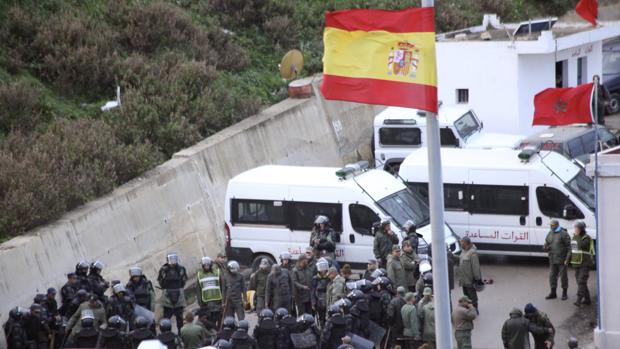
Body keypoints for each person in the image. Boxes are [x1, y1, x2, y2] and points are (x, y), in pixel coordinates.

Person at [158, 253, 189, 331]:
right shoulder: (163, 270)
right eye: (171, 260)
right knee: (167, 318)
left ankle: (180, 333)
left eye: (174, 259)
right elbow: (161, 281)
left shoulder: (181, 269)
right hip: (167, 297)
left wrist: (179, 288)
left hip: (179, 295)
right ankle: (167, 333)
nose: (173, 262)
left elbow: (184, 280)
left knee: (180, 317)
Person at [568, 221, 594, 306]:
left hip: (585, 263)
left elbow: (581, 245)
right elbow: (572, 249)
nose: (575, 229)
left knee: (581, 281)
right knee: (580, 282)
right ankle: (587, 299)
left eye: (577, 228)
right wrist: (567, 259)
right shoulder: (575, 237)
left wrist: (577, 236)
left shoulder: (586, 238)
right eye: (575, 228)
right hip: (576, 262)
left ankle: (578, 300)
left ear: (581, 229)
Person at [543, 220, 571, 300]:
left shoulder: (563, 234)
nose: (551, 227)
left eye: (552, 225)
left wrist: (567, 259)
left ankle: (564, 293)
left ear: (556, 225)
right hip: (552, 259)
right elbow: (546, 243)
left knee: (563, 277)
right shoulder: (550, 233)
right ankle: (553, 293)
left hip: (562, 260)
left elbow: (569, 247)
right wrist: (545, 247)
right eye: (550, 225)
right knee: (552, 276)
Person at [197, 256, 225, 326]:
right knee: (210, 324)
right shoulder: (199, 275)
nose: (206, 266)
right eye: (205, 265)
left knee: (220, 322)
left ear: (211, 265)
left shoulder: (217, 272)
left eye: (207, 265)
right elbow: (198, 291)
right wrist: (200, 304)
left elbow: (223, 287)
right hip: (206, 304)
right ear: (202, 265)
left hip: (218, 303)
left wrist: (223, 301)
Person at [457, 237, 482, 312]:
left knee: (472, 295)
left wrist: (477, 279)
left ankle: (475, 309)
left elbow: (475, 267)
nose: (461, 244)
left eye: (462, 243)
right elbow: (459, 260)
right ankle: (468, 308)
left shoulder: (472, 253)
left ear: (466, 243)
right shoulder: (463, 251)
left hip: (470, 280)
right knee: (466, 295)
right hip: (463, 279)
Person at [311, 258, 331, 327]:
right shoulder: (315, 278)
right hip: (318, 301)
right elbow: (312, 291)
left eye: (324, 268)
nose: (323, 270)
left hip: (327, 301)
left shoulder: (329, 278)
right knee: (320, 319)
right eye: (321, 268)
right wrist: (313, 303)